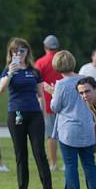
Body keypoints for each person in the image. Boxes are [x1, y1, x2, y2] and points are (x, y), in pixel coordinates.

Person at [46, 52, 96, 189]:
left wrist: (52, 93)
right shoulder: (84, 79)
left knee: (71, 165)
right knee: (89, 164)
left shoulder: (61, 84)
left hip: (68, 130)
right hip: (87, 128)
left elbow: (55, 106)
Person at [0, 38, 54, 189]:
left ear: (27, 52)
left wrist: (43, 114)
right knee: (20, 153)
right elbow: (1, 89)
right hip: (16, 113)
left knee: (39, 152)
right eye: (15, 51)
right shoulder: (8, 70)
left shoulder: (34, 71)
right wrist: (10, 73)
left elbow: (40, 95)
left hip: (34, 114)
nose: (19, 54)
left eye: (22, 51)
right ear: (11, 53)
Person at [35, 35, 63, 171]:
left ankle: (53, 164)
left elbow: (36, 82)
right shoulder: (62, 59)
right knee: (64, 134)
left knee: (51, 135)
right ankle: (66, 163)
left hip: (48, 102)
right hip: (64, 102)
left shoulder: (40, 62)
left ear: (45, 47)